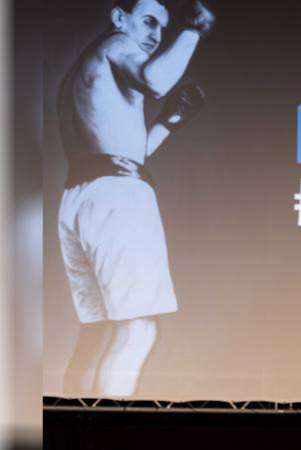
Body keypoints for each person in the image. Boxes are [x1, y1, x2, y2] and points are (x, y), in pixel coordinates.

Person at [57, 0, 214, 397]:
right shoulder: (116, 44)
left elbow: (127, 150)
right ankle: (113, 427)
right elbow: (156, 82)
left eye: (162, 27)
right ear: (118, 18)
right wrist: (193, 30)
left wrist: (170, 121)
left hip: (83, 197)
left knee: (96, 333)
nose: (155, 35)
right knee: (137, 330)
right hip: (117, 198)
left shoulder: (87, 68)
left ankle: (70, 425)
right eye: (147, 21)